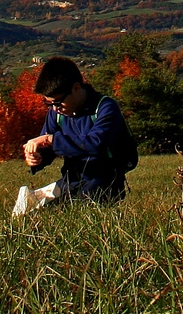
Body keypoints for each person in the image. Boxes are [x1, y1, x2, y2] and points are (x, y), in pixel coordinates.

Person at [20, 57, 136, 209]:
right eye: (48, 103)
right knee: (34, 213)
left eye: (57, 102)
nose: (54, 108)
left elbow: (96, 144)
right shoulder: (56, 113)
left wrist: (50, 140)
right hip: (71, 180)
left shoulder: (105, 107)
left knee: (77, 213)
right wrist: (37, 157)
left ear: (76, 88)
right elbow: (48, 147)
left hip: (105, 182)